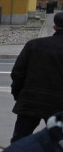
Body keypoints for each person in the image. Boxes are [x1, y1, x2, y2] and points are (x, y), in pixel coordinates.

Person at [9, 11, 63, 142]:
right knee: (59, 141)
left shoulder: (34, 45)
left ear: (54, 26)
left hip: (31, 100)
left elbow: (18, 73)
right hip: (60, 104)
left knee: (20, 139)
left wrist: (18, 94)